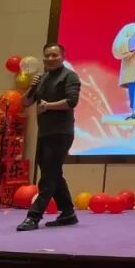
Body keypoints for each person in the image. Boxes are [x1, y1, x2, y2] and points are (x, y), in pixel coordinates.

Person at [16, 43, 80, 231]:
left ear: (62, 57)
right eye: (47, 56)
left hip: (61, 133)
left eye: (54, 55)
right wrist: (32, 87)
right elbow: (25, 102)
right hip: (45, 132)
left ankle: (33, 216)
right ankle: (68, 213)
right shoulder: (42, 78)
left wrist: (48, 106)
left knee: (48, 176)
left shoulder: (69, 76)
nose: (50, 59)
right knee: (54, 173)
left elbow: (72, 101)